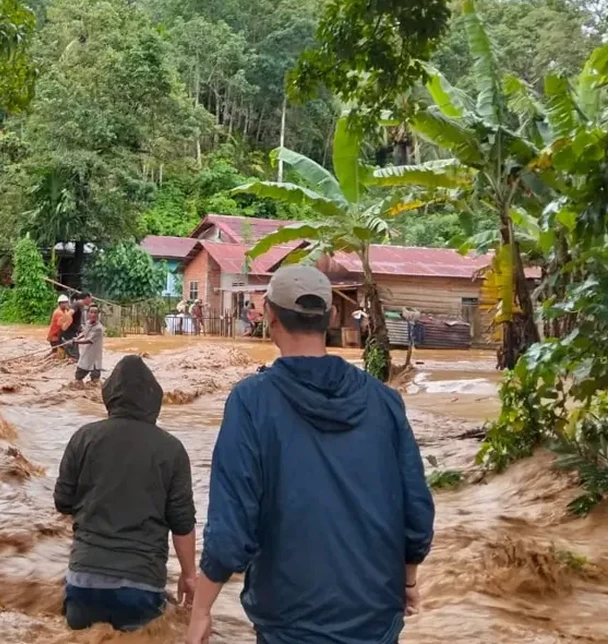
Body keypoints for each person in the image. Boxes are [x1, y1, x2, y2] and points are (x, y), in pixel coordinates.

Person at [186, 265, 434, 644]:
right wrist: (408, 578)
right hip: (375, 619)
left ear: (269, 315)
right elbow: (417, 509)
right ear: (332, 317)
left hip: (289, 622)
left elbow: (232, 527)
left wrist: (201, 609)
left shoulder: (252, 402)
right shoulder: (384, 402)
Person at [55, 355, 196, 632]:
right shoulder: (172, 449)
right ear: (154, 399)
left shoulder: (83, 438)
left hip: (83, 581)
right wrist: (189, 576)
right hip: (141, 585)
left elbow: (63, 502)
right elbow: (182, 523)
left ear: (109, 396)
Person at [74, 304, 105, 383]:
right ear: (88, 313)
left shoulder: (99, 328)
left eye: (95, 313)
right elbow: (84, 333)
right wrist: (77, 338)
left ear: (98, 314)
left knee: (95, 381)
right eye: (91, 312)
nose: (93, 315)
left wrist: (76, 342)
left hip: (95, 358)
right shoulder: (88, 323)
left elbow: (89, 340)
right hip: (86, 354)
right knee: (78, 377)